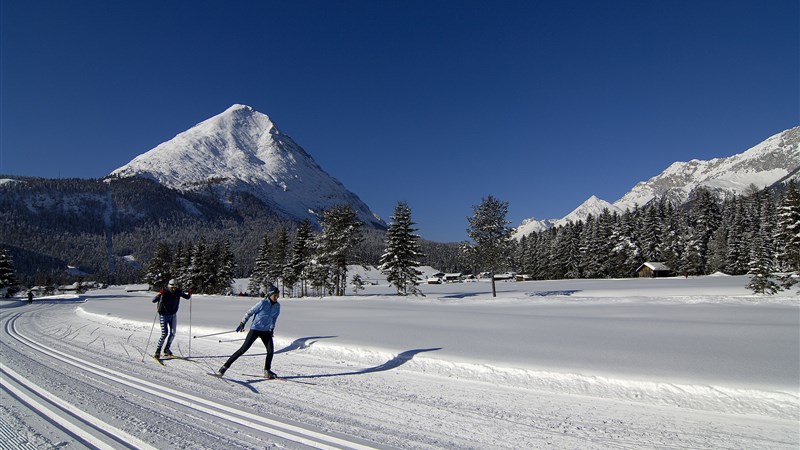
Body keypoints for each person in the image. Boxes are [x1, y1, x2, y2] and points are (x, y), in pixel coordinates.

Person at [218, 285, 281, 379]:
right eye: (275, 295)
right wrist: (242, 323)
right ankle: (223, 368)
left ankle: (267, 371)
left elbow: (274, 318)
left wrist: (271, 329)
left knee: (270, 351)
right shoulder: (262, 303)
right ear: (270, 295)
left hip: (266, 331)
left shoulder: (277, 306)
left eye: (277, 295)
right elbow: (250, 312)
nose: (276, 297)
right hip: (255, 329)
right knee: (243, 349)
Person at [152, 279, 191, 358]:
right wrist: (159, 294)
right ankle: (158, 351)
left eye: (175, 287)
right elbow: (154, 300)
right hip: (163, 315)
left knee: (173, 333)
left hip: (173, 315)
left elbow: (187, 297)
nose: (173, 289)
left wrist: (190, 293)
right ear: (169, 287)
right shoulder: (164, 292)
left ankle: (167, 349)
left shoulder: (178, 292)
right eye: (172, 288)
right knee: (164, 334)